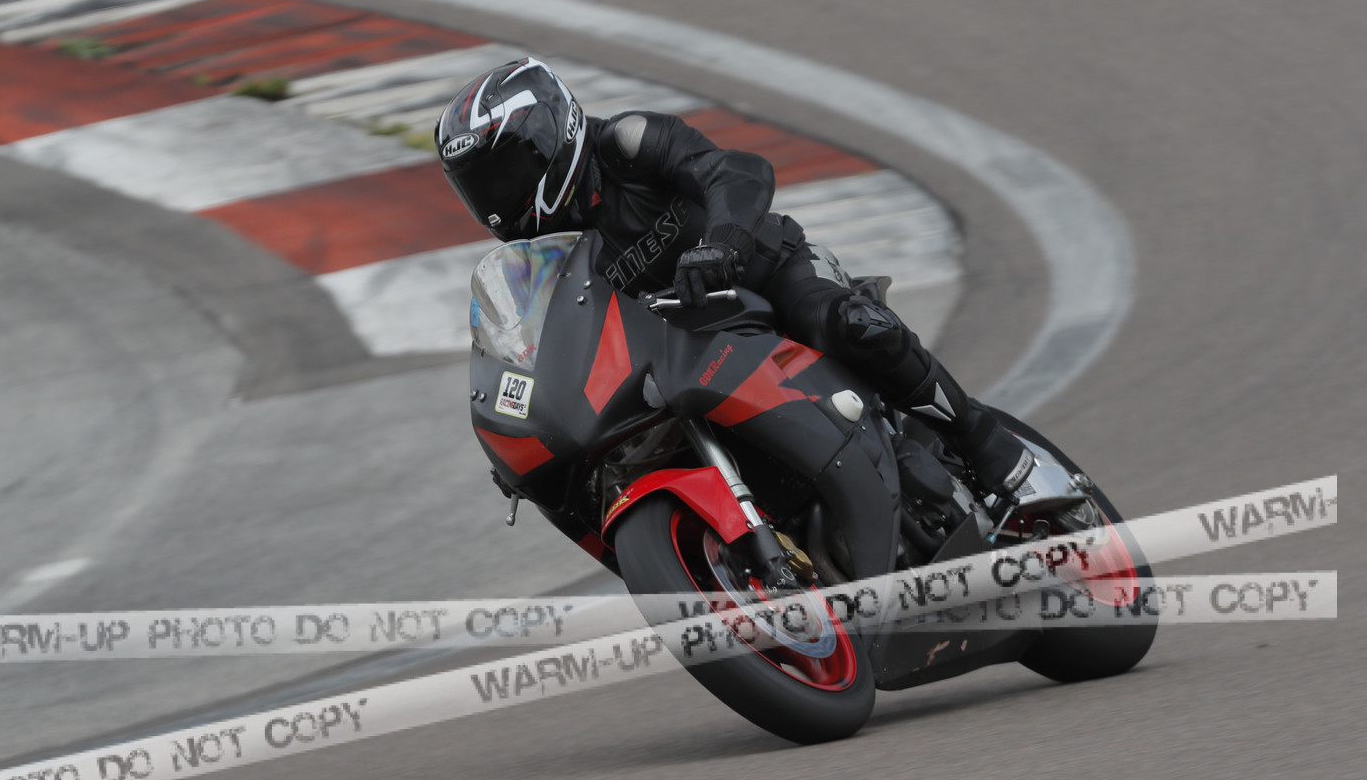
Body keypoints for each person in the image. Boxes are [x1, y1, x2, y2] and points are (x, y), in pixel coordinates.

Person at [436, 58, 1033, 500]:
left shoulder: (626, 143)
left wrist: (721, 243)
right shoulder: (545, 257)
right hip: (678, 346)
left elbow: (736, 171)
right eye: (480, 188)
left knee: (850, 324)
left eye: (505, 174)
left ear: (553, 134)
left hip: (767, 271)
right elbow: (543, 343)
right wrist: (531, 427)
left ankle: (984, 440)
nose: (498, 199)